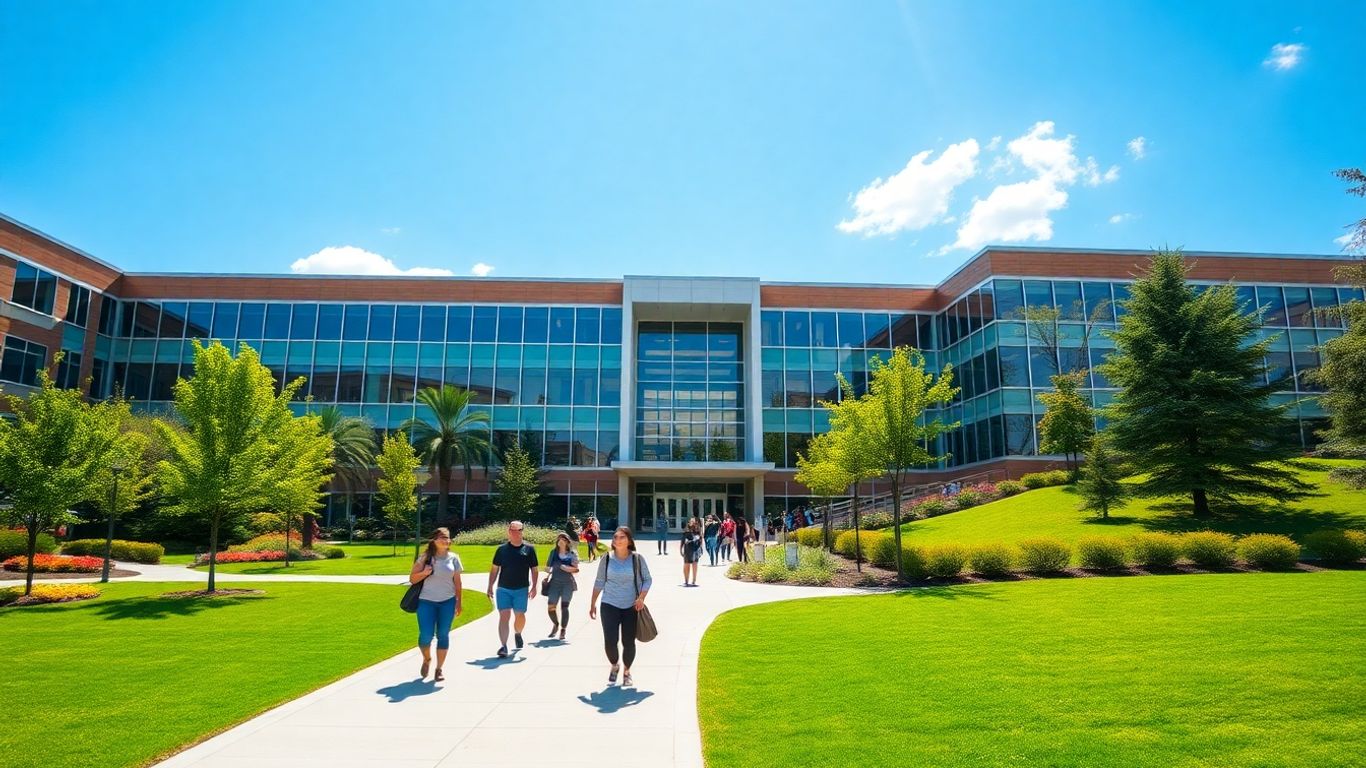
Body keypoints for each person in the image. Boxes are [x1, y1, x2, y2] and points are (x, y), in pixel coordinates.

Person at [589, 526, 652, 688]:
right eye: (615, 537)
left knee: (628, 641)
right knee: (610, 641)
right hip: (609, 604)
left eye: (622, 537)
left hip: (631, 606)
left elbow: (647, 579)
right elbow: (599, 581)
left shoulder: (637, 559)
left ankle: (627, 671)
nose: (617, 540)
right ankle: (615, 665)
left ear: (629, 541)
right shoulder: (607, 558)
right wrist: (593, 603)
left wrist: (641, 598)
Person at [408, 527, 463, 682]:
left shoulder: (454, 558)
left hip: (448, 601)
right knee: (425, 636)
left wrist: (458, 602)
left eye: (447, 538)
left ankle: (439, 669)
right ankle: (427, 659)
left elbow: (458, 583)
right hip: (426, 602)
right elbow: (412, 579)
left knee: (443, 635)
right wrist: (424, 573)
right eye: (442, 537)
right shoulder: (425, 558)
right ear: (434, 540)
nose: (446, 540)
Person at [486, 520, 539, 658]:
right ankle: (503, 646)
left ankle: (518, 633)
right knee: (504, 616)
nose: (515, 533)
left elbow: (534, 569)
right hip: (503, 588)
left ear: (522, 531)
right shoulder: (502, 550)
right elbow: (494, 569)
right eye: (512, 530)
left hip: (521, 589)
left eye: (518, 530)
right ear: (509, 532)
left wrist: (534, 586)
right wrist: (490, 585)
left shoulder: (529, 549)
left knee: (519, 615)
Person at [544, 532, 580, 641]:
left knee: (565, 607)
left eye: (563, 539)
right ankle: (556, 624)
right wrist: (547, 570)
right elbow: (548, 567)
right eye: (559, 539)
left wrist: (567, 568)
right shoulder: (553, 553)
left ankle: (563, 629)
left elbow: (576, 569)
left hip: (567, 584)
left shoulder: (572, 554)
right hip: (555, 583)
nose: (561, 541)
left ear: (567, 542)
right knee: (551, 606)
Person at [681, 517, 702, 586]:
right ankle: (686, 581)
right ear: (689, 522)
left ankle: (694, 581)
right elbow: (682, 540)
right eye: (691, 521)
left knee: (695, 564)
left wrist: (701, 548)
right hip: (687, 550)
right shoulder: (686, 530)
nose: (692, 522)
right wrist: (681, 549)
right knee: (686, 565)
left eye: (694, 521)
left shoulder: (698, 529)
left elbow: (701, 539)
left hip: (696, 549)